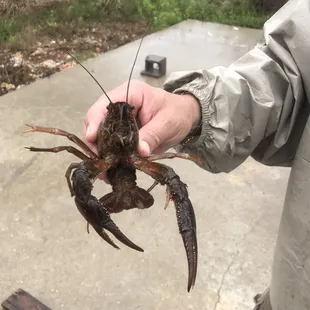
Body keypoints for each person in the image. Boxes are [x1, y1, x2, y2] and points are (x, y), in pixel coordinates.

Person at [83, 0, 310, 309]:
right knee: (79, 175)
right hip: (290, 292)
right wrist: (193, 109)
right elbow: (286, 75)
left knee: (174, 182)